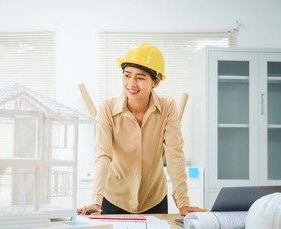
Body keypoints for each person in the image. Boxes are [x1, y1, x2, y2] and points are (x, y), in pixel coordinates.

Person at [78, 42, 206, 217]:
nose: (131, 84)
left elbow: (174, 154)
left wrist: (183, 203)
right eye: (127, 75)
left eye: (140, 77)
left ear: (156, 81)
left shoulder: (168, 108)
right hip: (115, 198)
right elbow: (103, 155)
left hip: (154, 199)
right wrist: (95, 200)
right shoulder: (107, 110)